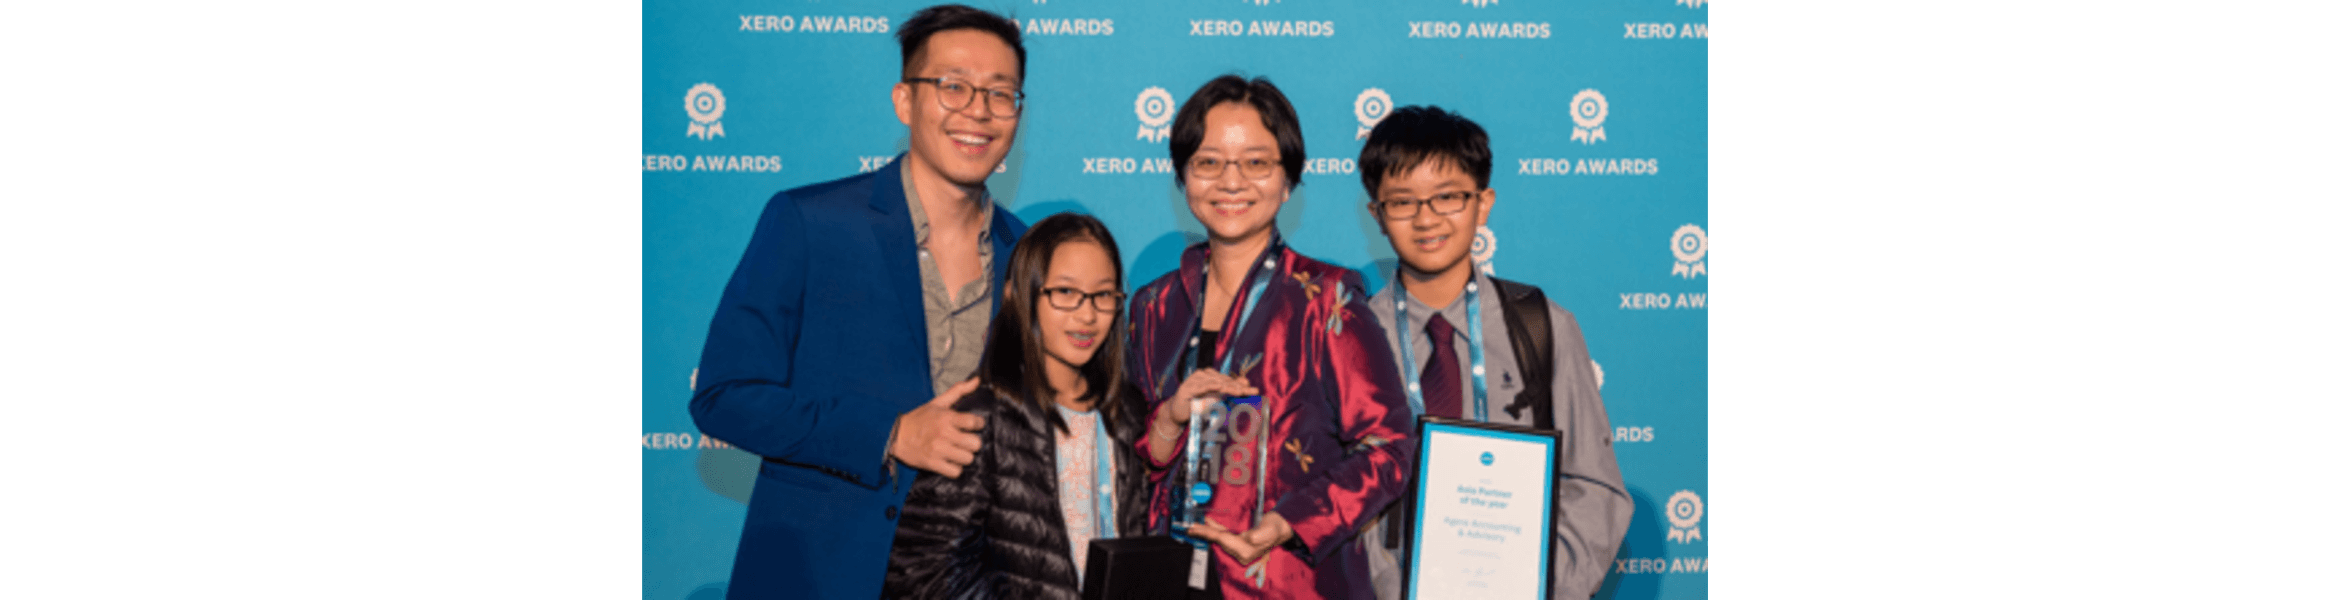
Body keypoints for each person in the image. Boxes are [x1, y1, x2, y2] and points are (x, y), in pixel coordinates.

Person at [686, 5, 1032, 599]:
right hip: (821, 574)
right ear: (905, 101)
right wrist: (888, 434)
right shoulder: (809, 222)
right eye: (953, 87)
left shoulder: (1027, 254)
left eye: (1000, 94)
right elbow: (723, 397)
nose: (978, 110)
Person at [1126, 74, 1417, 599]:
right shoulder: (1152, 307)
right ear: (1183, 177)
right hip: (1167, 574)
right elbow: (1130, 452)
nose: (1230, 181)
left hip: (1287, 580)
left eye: (1257, 163)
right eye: (1209, 162)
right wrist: (1168, 420)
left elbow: (1388, 448)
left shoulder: (1327, 299)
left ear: (1287, 182)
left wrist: (1286, 523)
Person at [1353, 105, 1632, 600]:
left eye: (1448, 198)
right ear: (1376, 214)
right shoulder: (1350, 337)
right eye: (1403, 202)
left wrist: (1538, 588)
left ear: (1484, 204)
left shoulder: (1543, 325)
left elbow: (1595, 489)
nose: (1427, 219)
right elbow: (1336, 500)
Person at [884, 213, 1149, 599]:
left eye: (1103, 294)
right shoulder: (980, 418)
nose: (1087, 314)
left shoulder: (1129, 412)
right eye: (1065, 292)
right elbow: (920, 571)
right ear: (1019, 295)